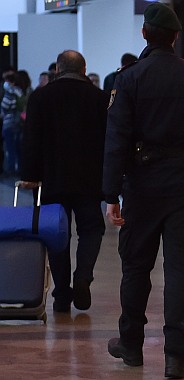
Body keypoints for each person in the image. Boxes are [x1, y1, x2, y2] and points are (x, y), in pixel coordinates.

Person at [103, 3, 184, 378]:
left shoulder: (129, 79)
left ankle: (131, 345)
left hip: (141, 187)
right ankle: (176, 356)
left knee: (136, 267)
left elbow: (116, 141)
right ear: (175, 37)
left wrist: (111, 195)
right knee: (178, 272)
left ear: (144, 34)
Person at [19, 50, 108, 313]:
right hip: (90, 181)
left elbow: (31, 140)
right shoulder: (100, 99)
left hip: (52, 179)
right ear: (84, 70)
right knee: (91, 229)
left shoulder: (40, 97)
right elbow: (109, 141)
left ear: (57, 70)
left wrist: (30, 176)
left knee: (57, 234)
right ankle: (83, 277)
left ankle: (61, 293)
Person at [1, 71, 23, 176]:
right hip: (17, 122)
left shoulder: (10, 93)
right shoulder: (19, 92)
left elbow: (5, 106)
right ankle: (19, 168)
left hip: (8, 122)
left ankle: (11, 169)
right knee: (17, 147)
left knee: (10, 148)